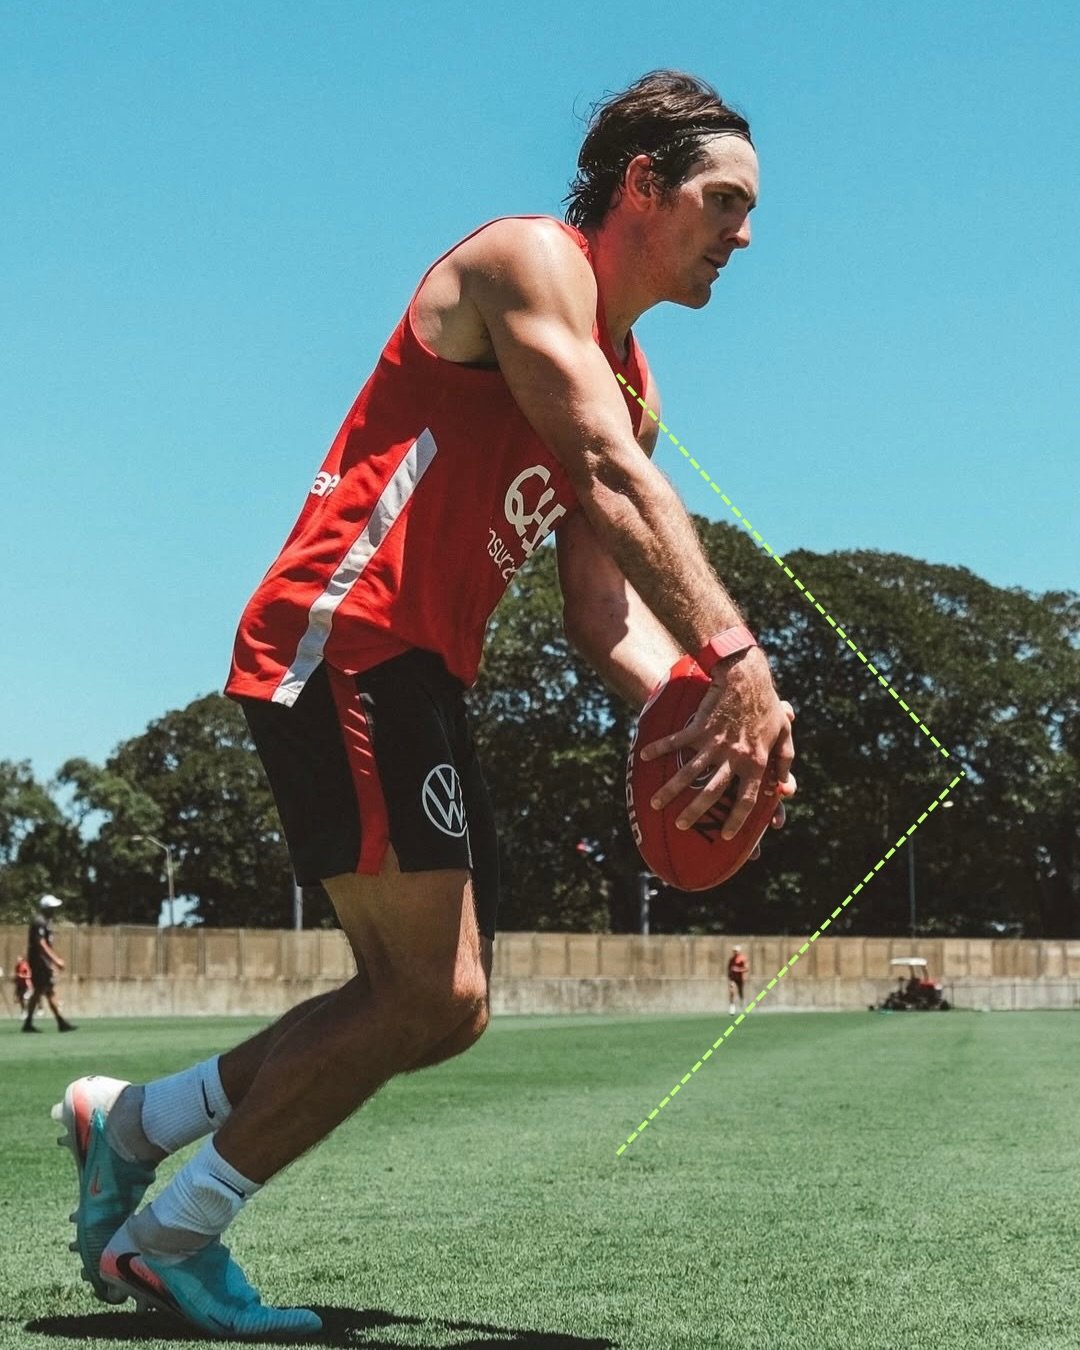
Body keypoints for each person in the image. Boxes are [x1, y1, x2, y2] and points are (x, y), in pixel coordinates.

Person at [56, 69, 796, 1338]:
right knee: (427, 993)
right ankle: (169, 1239)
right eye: (724, 202)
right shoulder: (528, 262)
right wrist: (735, 661)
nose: (746, 234)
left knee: (444, 1011)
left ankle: (130, 1123)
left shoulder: (640, 383)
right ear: (641, 186)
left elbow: (600, 615)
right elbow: (604, 472)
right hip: (343, 634)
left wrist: (692, 726)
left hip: (424, 672)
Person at [23, 895, 76, 1033]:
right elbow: (41, 944)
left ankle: (29, 1022)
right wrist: (55, 960)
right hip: (39, 961)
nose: (54, 911)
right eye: (52, 908)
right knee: (49, 990)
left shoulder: (46, 922)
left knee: (41, 990)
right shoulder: (39, 922)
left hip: (41, 961)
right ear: (46, 908)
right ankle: (60, 1022)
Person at [727, 944, 749, 1015]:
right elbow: (729, 968)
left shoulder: (743, 959)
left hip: (740, 978)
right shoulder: (731, 959)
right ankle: (732, 1007)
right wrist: (729, 975)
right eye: (734, 951)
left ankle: (742, 1004)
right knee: (732, 991)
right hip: (733, 978)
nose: (735, 952)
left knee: (740, 992)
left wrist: (738, 969)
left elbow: (746, 968)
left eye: (736, 951)